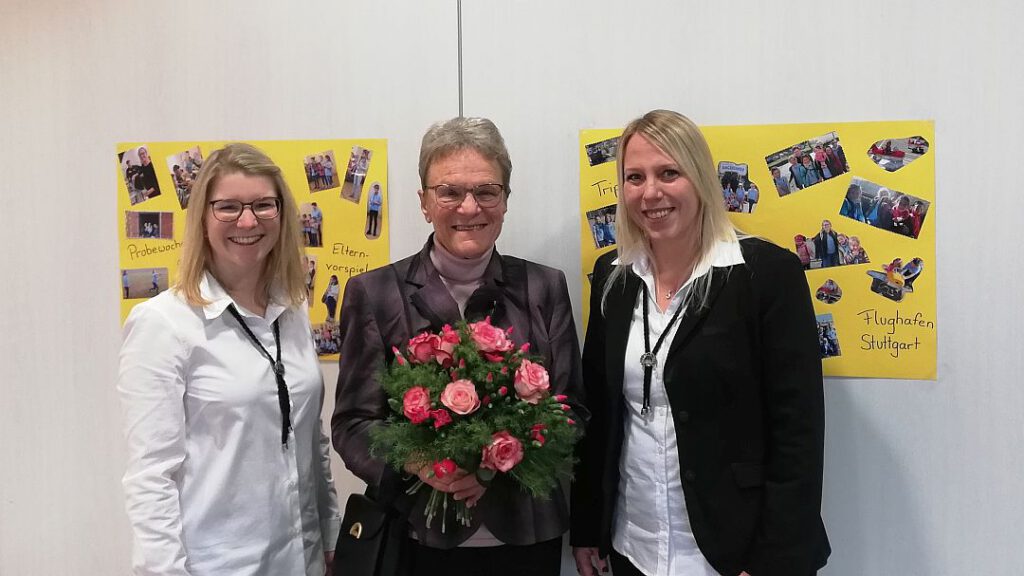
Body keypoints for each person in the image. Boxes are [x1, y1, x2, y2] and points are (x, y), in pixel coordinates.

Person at [571, 110, 829, 576]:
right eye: (635, 177)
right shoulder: (613, 276)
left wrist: (773, 561)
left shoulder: (765, 275)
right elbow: (602, 415)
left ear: (701, 179)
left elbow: (799, 431)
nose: (651, 192)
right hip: (635, 546)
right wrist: (589, 526)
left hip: (732, 554)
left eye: (669, 173)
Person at [332, 116, 586, 576]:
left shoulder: (544, 287)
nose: (469, 207)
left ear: (505, 201)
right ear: (425, 203)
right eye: (449, 192)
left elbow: (573, 413)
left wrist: (494, 465)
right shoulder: (376, 294)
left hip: (526, 538)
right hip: (418, 540)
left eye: (487, 191)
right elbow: (353, 424)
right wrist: (418, 463)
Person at [118, 143, 341, 576]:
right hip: (218, 565)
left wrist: (329, 533)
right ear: (202, 216)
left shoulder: (291, 310)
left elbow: (309, 437)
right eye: (228, 207)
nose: (247, 220)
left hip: (303, 557)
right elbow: (151, 476)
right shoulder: (163, 324)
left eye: (263, 205)